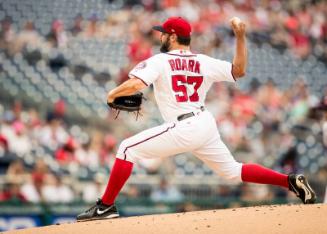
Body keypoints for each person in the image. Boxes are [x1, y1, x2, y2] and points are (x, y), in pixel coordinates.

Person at [76, 16, 316, 221]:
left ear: (172, 37)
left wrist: (112, 94)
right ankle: (290, 181)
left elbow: (137, 83)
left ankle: (105, 206)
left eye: (163, 34)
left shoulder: (160, 60)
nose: (160, 37)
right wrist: (241, 37)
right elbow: (238, 70)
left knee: (127, 148)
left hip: (185, 126)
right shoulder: (203, 61)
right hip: (204, 123)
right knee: (232, 170)